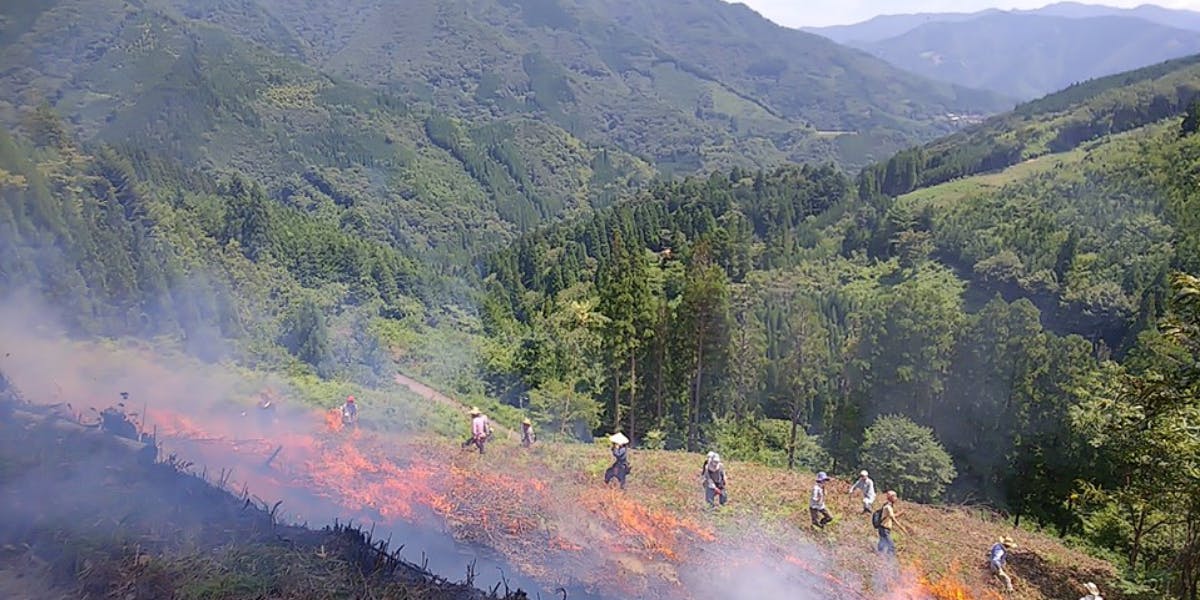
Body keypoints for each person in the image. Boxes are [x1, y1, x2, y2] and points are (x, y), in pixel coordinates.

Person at [875, 490, 907, 555]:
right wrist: (902, 528)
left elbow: (891, 516)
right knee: (891, 546)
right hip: (884, 529)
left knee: (882, 545)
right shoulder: (888, 507)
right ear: (891, 497)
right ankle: (889, 560)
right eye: (895, 496)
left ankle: (878, 557)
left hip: (884, 529)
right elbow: (893, 518)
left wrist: (900, 513)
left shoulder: (888, 506)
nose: (896, 498)